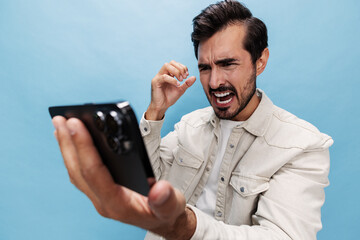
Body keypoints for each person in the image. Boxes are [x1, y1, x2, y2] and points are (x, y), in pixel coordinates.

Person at [52, 1, 333, 239]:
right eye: (205, 68)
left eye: (228, 64)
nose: (215, 82)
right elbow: (151, 186)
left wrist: (185, 225)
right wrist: (155, 113)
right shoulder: (190, 125)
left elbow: (279, 236)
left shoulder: (303, 146)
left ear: (260, 61)